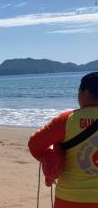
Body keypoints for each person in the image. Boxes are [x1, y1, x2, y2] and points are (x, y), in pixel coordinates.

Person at [28, 72, 98, 208]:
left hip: (70, 198)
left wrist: (49, 156)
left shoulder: (67, 120)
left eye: (79, 91)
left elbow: (34, 144)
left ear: (86, 92)